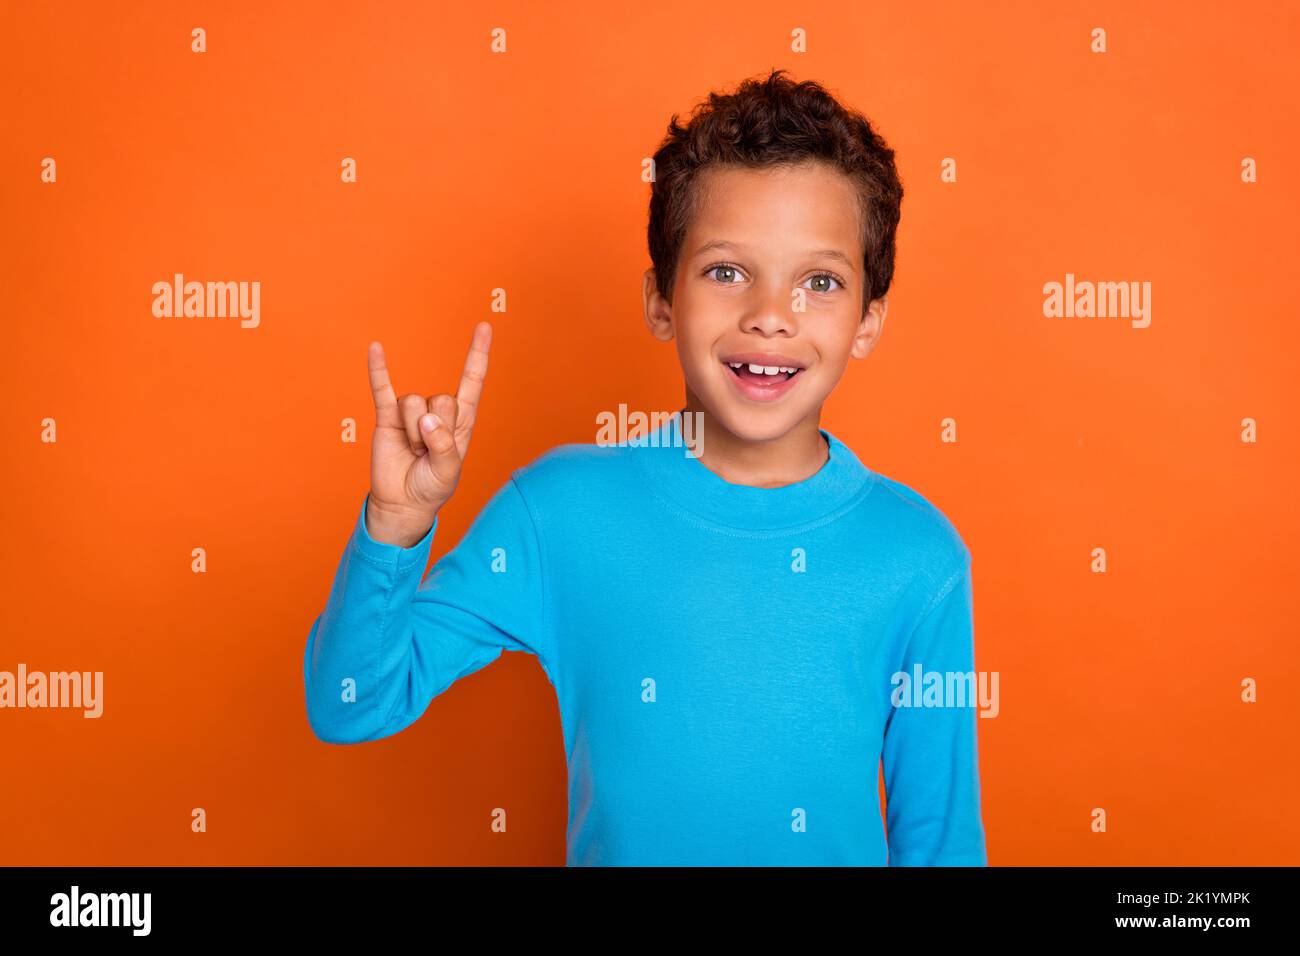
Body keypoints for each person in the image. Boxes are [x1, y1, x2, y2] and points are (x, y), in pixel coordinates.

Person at [303, 67, 988, 866]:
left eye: (819, 282)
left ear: (868, 322)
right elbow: (351, 704)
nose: (770, 316)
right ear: (662, 300)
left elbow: (940, 844)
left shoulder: (919, 558)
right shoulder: (558, 512)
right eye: (726, 272)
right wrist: (394, 528)